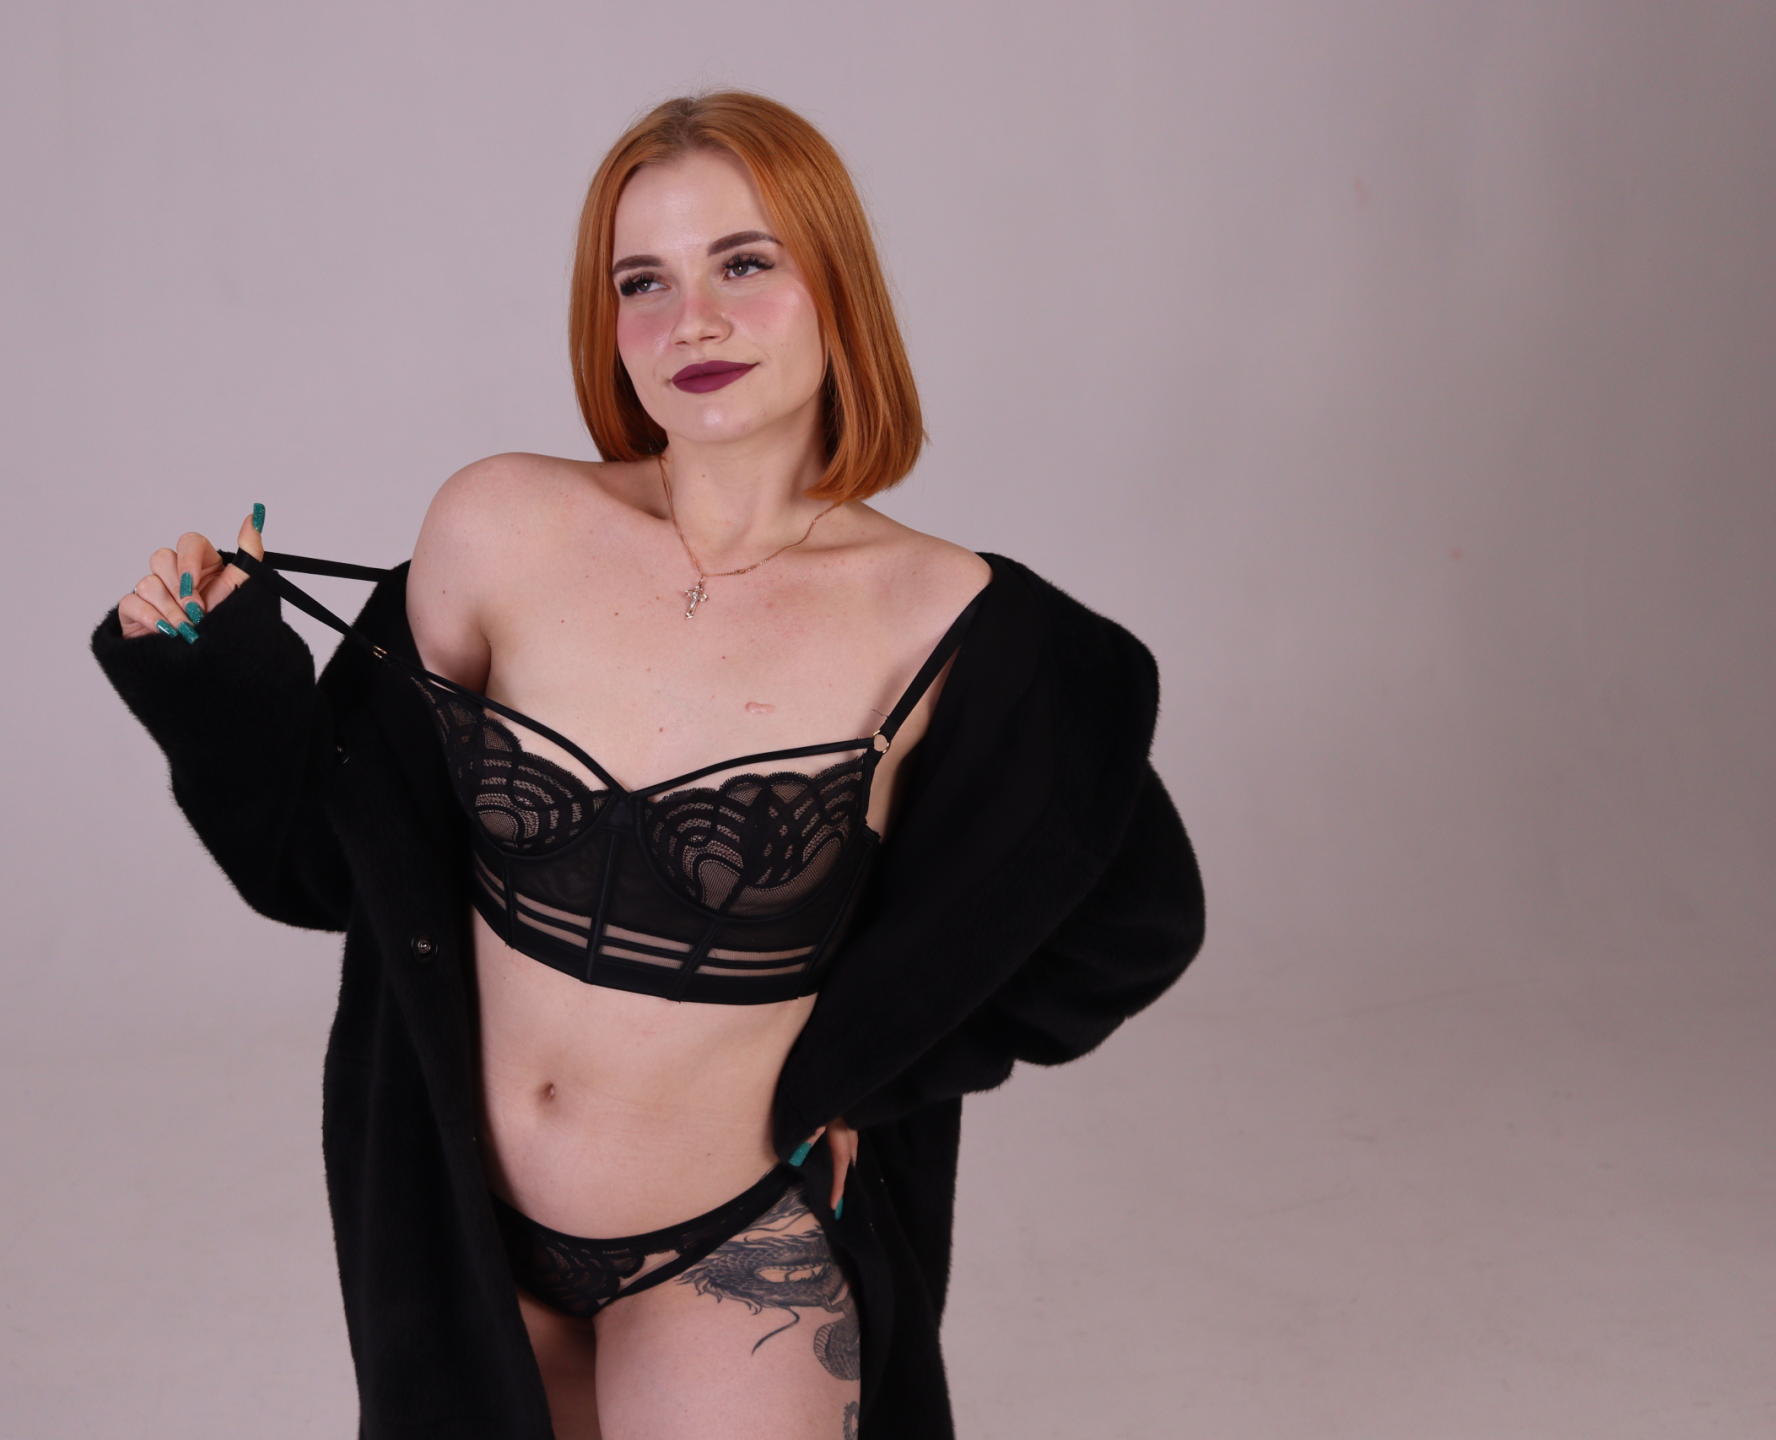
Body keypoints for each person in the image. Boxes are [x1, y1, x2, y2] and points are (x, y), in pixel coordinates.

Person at [91, 89, 1205, 1440]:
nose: (694, 323)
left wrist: (870, 1076)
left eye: (745, 262)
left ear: (838, 284)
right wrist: (215, 673)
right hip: (458, 1229)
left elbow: (1133, 925)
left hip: (731, 1249)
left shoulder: (951, 624)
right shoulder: (500, 527)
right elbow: (328, 867)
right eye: (644, 282)